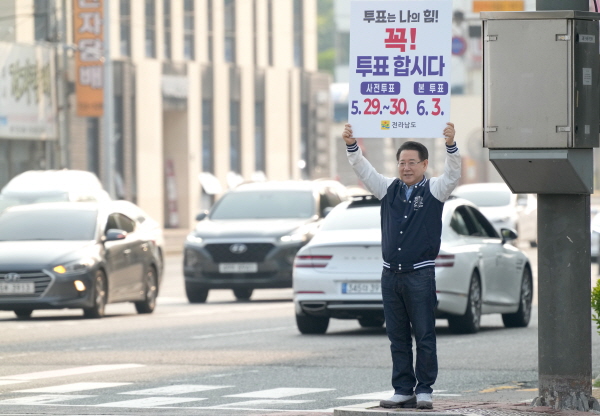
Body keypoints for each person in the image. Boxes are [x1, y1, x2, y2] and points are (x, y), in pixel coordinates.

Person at [341, 122, 461, 410]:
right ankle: (403, 389)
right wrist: (351, 145)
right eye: (402, 163)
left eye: (412, 162)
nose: (406, 168)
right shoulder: (388, 189)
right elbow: (363, 169)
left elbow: (453, 174)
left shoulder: (434, 189)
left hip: (420, 274)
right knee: (397, 336)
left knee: (424, 334)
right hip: (390, 275)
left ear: (424, 164)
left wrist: (451, 146)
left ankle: (425, 390)